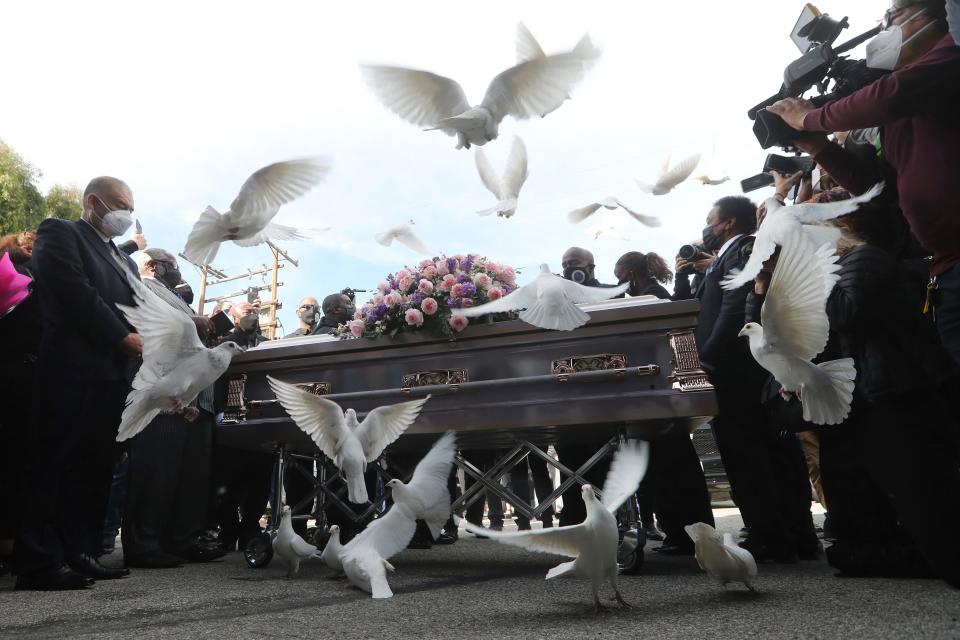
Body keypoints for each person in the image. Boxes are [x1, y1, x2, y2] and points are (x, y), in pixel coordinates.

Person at [768, 0, 960, 364]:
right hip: (947, 272)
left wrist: (810, 117)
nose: (886, 26)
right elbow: (880, 189)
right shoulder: (903, 110)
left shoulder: (951, 53)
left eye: (895, 16)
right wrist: (820, 148)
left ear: (934, 14)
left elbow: (893, 93)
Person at [14, 177, 142, 590]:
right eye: (120, 204)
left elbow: (141, 303)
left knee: (94, 468)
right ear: (94, 201)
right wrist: (121, 337)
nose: (126, 214)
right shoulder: (61, 231)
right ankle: (38, 560)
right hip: (72, 367)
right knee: (55, 463)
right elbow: (74, 290)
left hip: (113, 376)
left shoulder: (123, 260)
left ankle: (80, 552)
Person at [696, 195, 814, 562]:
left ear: (728, 222)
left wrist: (707, 359)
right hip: (742, 372)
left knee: (752, 456)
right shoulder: (731, 253)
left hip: (737, 374)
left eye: (711, 221)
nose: (708, 229)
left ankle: (774, 536)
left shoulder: (742, 249)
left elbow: (734, 312)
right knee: (766, 455)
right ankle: (788, 534)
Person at [121, 249, 224, 568]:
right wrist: (189, 321)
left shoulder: (177, 297)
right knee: (157, 470)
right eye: (173, 265)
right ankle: (144, 543)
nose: (178, 271)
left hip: (197, 399)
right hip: (167, 398)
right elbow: (147, 322)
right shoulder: (144, 284)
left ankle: (181, 540)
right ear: (153, 266)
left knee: (189, 477)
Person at [613, 251, 716, 553]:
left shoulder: (651, 296)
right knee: (673, 465)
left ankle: (684, 536)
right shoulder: (654, 292)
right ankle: (686, 533)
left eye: (618, 275)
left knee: (672, 467)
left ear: (630, 274)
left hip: (658, 391)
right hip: (659, 392)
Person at [554, 247, 614, 526]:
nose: (569, 268)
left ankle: (610, 520)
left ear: (591, 265)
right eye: (565, 264)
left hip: (603, 391)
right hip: (566, 392)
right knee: (570, 459)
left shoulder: (610, 293)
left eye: (574, 263)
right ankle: (575, 520)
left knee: (604, 460)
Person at [0, 242, 41, 576]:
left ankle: (12, 542)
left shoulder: (32, 279)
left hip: (23, 381)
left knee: (16, 467)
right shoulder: (17, 276)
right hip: (11, 377)